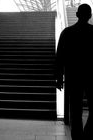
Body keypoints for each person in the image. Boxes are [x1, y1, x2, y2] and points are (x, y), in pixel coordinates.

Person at [56, 4, 93, 140]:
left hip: (73, 76)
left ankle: (77, 137)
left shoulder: (67, 32)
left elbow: (59, 56)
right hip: (90, 76)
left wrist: (59, 76)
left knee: (76, 112)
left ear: (77, 15)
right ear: (90, 16)